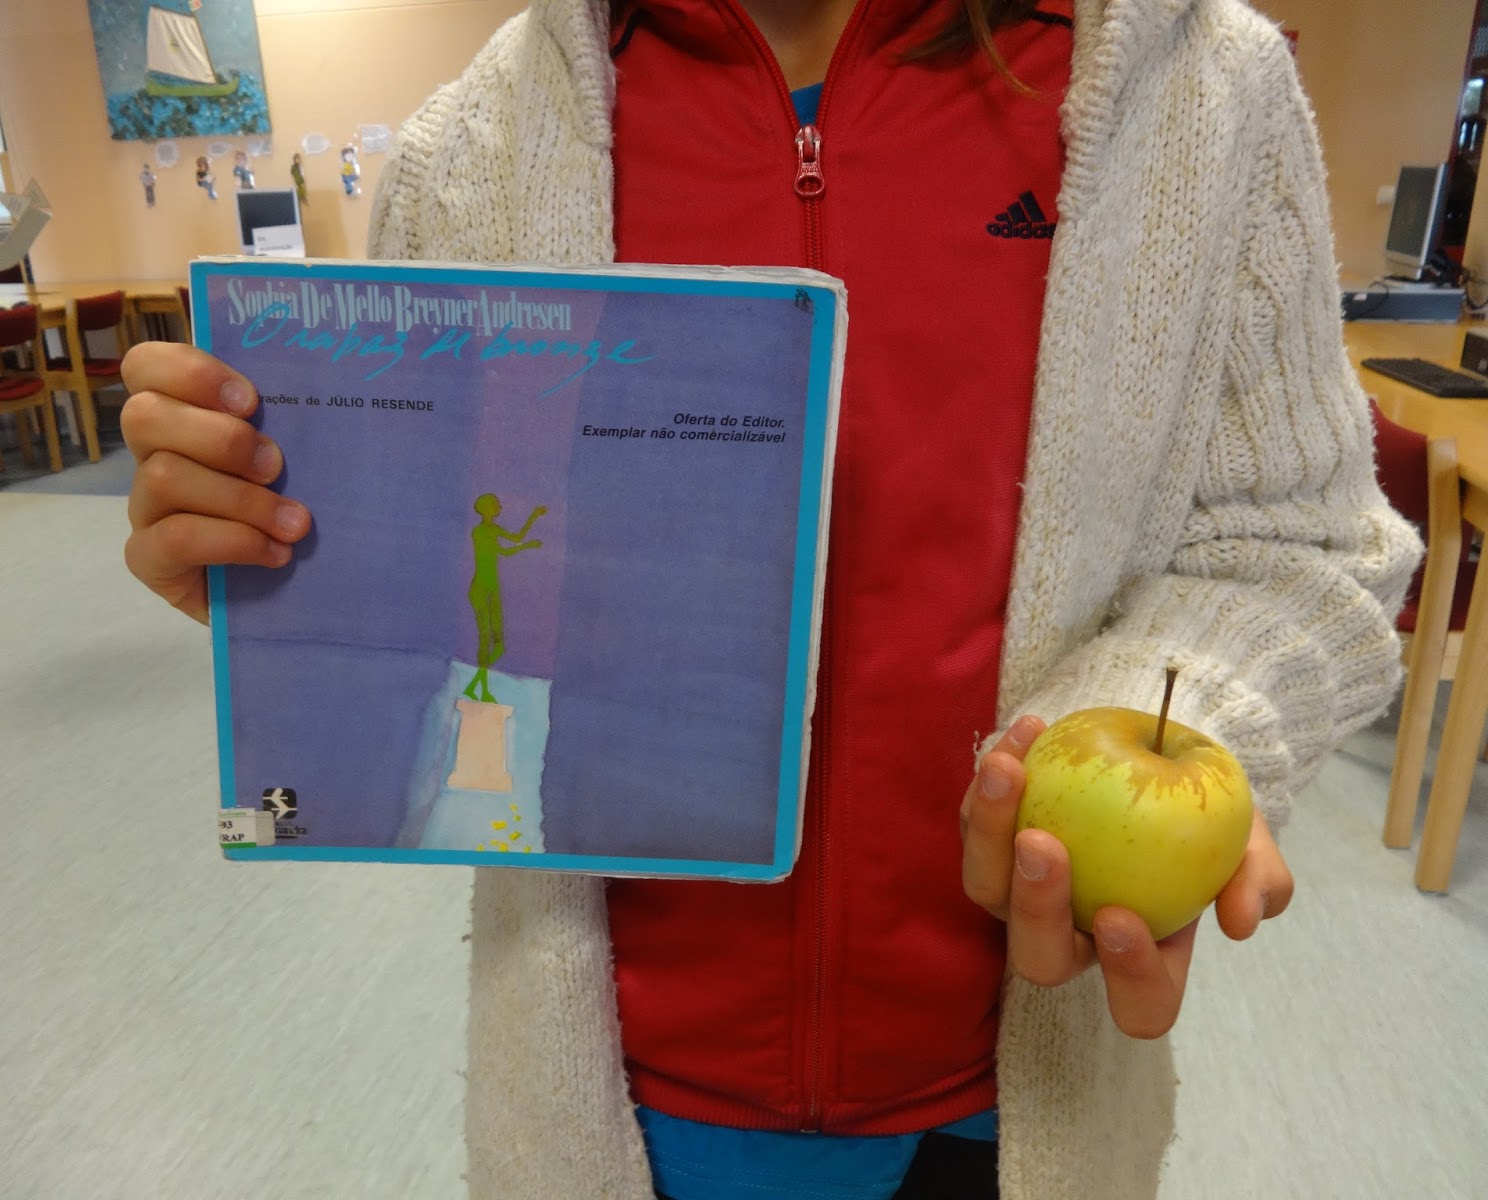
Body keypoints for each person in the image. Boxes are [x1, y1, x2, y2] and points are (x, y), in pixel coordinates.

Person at [119, 1, 1421, 1197]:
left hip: (1009, 1106)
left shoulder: (1201, 92)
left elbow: (1297, 544)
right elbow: (457, 572)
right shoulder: (473, 148)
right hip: (610, 1104)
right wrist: (291, 574)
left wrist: (1132, 729)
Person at [464, 494, 547, 704]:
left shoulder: (494, 530)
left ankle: (473, 685)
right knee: (485, 640)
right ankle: (483, 691)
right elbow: (503, 550)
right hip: (480, 590)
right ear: (488, 509)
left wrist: (534, 517)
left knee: (499, 645)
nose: (500, 507)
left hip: (493, 590)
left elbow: (515, 538)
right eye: (496, 505)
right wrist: (526, 545)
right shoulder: (479, 532)